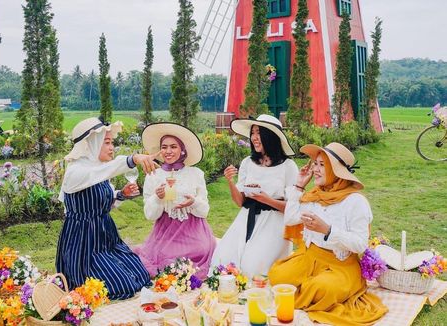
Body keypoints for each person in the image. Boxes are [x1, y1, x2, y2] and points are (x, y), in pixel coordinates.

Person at [268, 142, 388, 325]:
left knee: (321, 288)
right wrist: (299, 186)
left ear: (336, 171)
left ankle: (315, 288)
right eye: (315, 163)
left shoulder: (355, 202)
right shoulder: (316, 195)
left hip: (340, 265)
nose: (315, 169)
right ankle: (308, 288)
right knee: (278, 275)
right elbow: (290, 219)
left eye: (322, 165)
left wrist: (328, 230)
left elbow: (360, 244)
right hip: (309, 258)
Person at [56, 117, 159, 300]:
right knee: (120, 285)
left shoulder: (98, 168)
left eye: (113, 143)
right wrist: (133, 159)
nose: (112, 148)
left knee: (139, 274)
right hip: (84, 242)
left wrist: (121, 194)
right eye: (107, 142)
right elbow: (94, 176)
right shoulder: (76, 171)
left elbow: (103, 200)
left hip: (105, 237)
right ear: (91, 144)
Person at [210, 114, 298, 278]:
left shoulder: (288, 166)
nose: (254, 138)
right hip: (247, 217)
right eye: (253, 133)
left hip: (274, 222)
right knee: (222, 260)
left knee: (252, 269)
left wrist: (267, 199)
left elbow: (293, 208)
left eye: (259, 133)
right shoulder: (247, 163)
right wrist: (230, 181)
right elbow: (240, 201)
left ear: (270, 137)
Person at [134, 122, 216, 279]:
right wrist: (157, 198)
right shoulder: (154, 175)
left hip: (194, 230)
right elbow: (149, 215)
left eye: (173, 147)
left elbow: (204, 210)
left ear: (182, 150)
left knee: (202, 251)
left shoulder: (195, 173)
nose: (168, 151)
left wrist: (193, 203)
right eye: (164, 147)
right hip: (165, 233)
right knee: (165, 258)